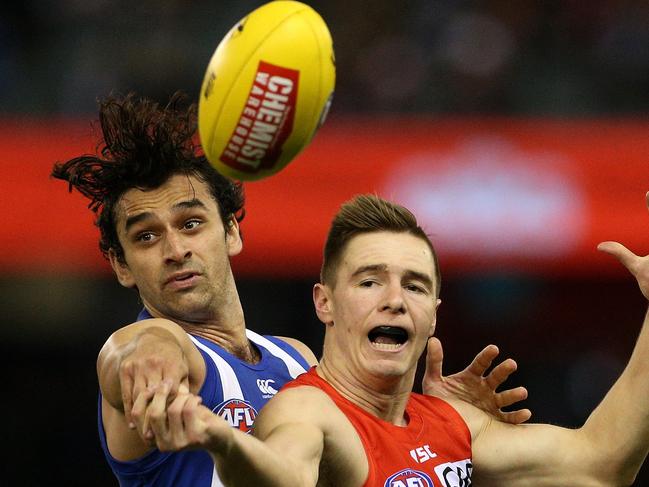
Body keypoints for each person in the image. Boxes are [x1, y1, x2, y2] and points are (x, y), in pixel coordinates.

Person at [52, 93, 529, 487]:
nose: (175, 249)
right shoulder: (152, 355)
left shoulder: (296, 361)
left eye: (191, 223)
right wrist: (147, 354)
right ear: (121, 265)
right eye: (146, 236)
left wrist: (435, 424)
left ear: (232, 233)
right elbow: (130, 350)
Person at [140, 193, 649, 487]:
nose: (395, 299)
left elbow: (602, 462)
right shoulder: (309, 412)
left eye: (415, 285)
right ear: (325, 303)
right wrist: (223, 441)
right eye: (369, 281)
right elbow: (285, 476)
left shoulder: (453, 424)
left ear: (433, 315)